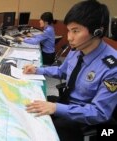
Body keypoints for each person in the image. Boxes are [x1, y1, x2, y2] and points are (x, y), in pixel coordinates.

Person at [22, 0, 117, 141]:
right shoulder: (76, 50)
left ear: (98, 31)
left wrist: (56, 108)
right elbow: (62, 71)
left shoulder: (112, 67)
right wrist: (37, 70)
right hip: (65, 101)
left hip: (82, 119)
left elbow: (100, 113)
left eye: (76, 31)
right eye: (68, 30)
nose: (69, 37)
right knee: (28, 108)